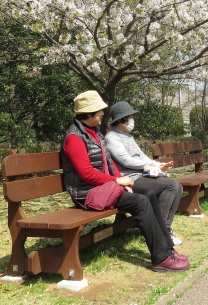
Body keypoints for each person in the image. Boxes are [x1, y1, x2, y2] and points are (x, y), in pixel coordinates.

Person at [61, 90, 189, 272]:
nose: (103, 114)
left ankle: (167, 248)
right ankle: (161, 258)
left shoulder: (95, 133)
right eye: (99, 111)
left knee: (149, 194)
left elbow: (109, 162)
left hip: (104, 187)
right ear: (89, 113)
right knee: (141, 201)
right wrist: (117, 181)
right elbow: (86, 174)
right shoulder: (74, 138)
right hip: (88, 193)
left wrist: (122, 181)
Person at [105, 101, 184, 246]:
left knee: (177, 186)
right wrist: (150, 164)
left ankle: (164, 228)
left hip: (142, 174)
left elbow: (141, 156)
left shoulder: (128, 136)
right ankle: (162, 231)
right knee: (171, 186)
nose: (132, 120)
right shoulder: (112, 137)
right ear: (121, 119)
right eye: (130, 117)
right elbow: (126, 160)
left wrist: (157, 165)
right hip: (130, 178)